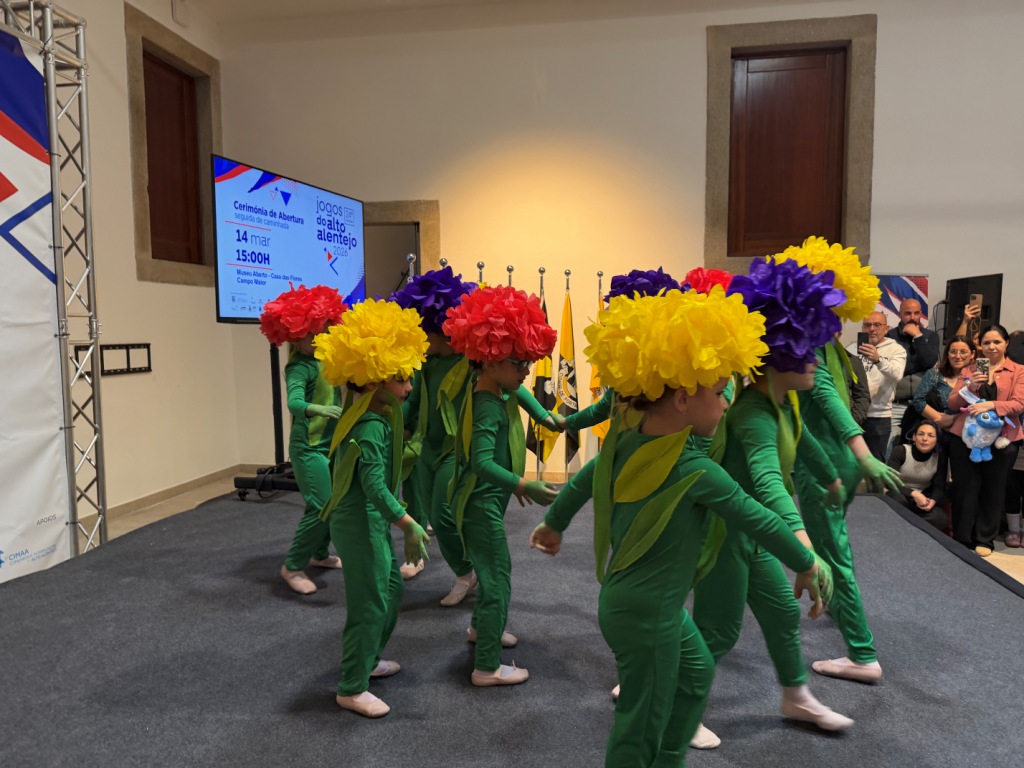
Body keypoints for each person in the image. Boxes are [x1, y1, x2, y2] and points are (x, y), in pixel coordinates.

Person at [530, 288, 828, 768]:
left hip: (642, 606)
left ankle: (669, 758)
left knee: (696, 671)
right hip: (648, 614)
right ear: (685, 398)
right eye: (720, 391)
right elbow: (755, 516)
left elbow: (585, 479)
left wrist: (554, 523)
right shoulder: (695, 469)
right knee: (639, 725)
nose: (726, 404)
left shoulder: (627, 441)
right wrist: (807, 561)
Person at [693, 257, 854, 743]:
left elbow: (802, 441)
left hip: (753, 535)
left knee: (783, 611)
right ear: (780, 353)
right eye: (806, 350)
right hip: (725, 534)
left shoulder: (783, 404)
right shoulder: (754, 415)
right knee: (717, 630)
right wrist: (804, 549)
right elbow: (768, 483)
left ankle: (795, 695)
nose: (815, 360)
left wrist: (830, 479)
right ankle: (675, 709)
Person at [777, 235, 904, 684]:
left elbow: (829, 399)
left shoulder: (812, 344)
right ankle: (833, 603)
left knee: (833, 554)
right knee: (832, 548)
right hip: (835, 462)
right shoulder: (829, 342)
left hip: (826, 464)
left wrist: (861, 451)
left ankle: (862, 655)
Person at [314, 298, 432, 718]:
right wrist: (408, 523)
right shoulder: (369, 425)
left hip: (369, 520)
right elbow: (374, 486)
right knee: (370, 602)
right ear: (374, 379)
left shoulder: (372, 417)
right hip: (361, 523)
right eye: (400, 379)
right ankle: (351, 686)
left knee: (391, 590)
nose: (408, 387)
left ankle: (368, 660)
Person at [443, 285, 560, 687]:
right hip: (479, 505)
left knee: (491, 571)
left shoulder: (494, 385)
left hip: (484, 502)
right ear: (492, 358)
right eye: (518, 363)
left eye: (527, 361)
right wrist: (523, 484)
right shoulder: (489, 405)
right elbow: (482, 462)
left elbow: (523, 394)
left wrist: (546, 416)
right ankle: (487, 667)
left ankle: (482, 631)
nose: (526, 371)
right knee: (497, 578)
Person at [390, 267, 477, 585]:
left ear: (442, 329)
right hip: (424, 445)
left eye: (426, 333)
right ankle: (424, 560)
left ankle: (467, 571)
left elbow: (509, 390)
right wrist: (398, 425)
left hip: (454, 451)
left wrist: (542, 415)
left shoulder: (470, 362)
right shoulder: (427, 362)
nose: (422, 339)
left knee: (441, 514)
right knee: (420, 504)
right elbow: (414, 398)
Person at [259, 285, 348, 595]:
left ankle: (319, 553)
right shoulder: (298, 366)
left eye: (322, 331)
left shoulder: (324, 360)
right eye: (311, 334)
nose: (318, 338)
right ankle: (293, 566)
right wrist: (320, 409)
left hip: (329, 445)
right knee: (321, 504)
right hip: (308, 447)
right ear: (295, 336)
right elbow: (294, 403)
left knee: (331, 502)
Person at [946, 324, 1024, 556]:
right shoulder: (970, 369)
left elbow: (1019, 404)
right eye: (986, 342)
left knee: (994, 489)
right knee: (965, 488)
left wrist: (991, 405)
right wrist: (970, 387)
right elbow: (952, 404)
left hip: (1002, 439)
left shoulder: (1018, 371)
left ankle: (984, 539)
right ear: (980, 346)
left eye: (996, 342)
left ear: (1006, 343)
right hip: (966, 437)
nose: (991, 347)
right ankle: (962, 537)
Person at [847, 311, 906, 460]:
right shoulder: (852, 349)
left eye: (877, 325)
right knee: (850, 461)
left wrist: (878, 359)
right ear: (862, 328)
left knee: (875, 462)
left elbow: (897, 374)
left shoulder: (896, 350)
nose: (872, 329)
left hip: (879, 416)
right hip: (853, 414)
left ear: (886, 329)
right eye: (868, 325)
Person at [885, 421, 949, 530]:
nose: (925, 438)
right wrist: (913, 493)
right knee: (897, 501)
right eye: (920, 434)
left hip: (923, 497)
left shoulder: (939, 457)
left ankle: (907, 524)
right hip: (900, 493)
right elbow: (889, 481)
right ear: (914, 437)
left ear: (936, 440)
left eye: (930, 436)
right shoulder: (900, 450)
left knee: (940, 519)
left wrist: (932, 501)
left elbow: (939, 486)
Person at [909, 336, 976, 436]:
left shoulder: (977, 377)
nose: (958, 356)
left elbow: (981, 406)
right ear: (947, 354)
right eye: (953, 352)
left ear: (972, 354)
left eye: (963, 352)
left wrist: (952, 420)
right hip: (935, 433)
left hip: (969, 433)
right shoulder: (934, 374)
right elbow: (918, 400)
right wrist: (942, 421)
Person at [886, 298, 939, 376]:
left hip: (923, 382)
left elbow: (930, 364)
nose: (912, 318)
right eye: (908, 313)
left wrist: (918, 336)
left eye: (916, 313)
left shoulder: (931, 335)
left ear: (921, 314)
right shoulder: (890, 335)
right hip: (898, 381)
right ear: (900, 314)